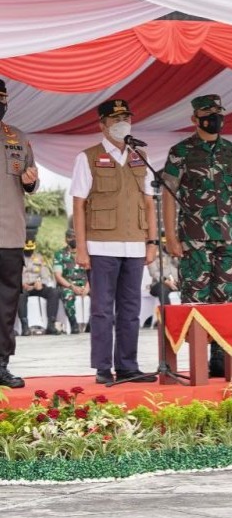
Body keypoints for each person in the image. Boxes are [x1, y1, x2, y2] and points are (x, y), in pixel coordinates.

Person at [162, 94, 232, 377]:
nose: (215, 119)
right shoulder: (181, 151)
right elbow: (168, 195)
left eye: (219, 113)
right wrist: (170, 237)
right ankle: (198, 356)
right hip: (194, 237)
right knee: (196, 297)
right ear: (195, 119)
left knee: (225, 297)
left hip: (228, 235)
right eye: (208, 114)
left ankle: (220, 357)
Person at [71, 98, 158, 384]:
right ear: (103, 125)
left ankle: (128, 366)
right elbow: (79, 205)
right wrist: (80, 247)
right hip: (100, 245)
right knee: (102, 310)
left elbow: (149, 202)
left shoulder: (140, 156)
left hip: (135, 244)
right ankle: (102, 368)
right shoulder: (88, 157)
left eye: (127, 119)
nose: (123, 124)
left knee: (131, 309)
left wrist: (152, 241)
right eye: (116, 119)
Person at [0, 78, 39, 387]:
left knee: (6, 304)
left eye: (3, 99)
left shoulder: (18, 138)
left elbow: (30, 182)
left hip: (10, 234)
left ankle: (1, 364)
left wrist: (29, 181)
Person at [18, 240, 60, 336]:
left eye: (31, 249)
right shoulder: (16, 258)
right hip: (23, 287)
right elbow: (12, 276)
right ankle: (25, 327)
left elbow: (45, 276)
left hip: (36, 286)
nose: (30, 251)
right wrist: (22, 284)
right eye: (27, 249)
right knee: (21, 295)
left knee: (54, 292)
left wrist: (41, 283)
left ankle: (51, 324)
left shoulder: (39, 258)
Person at [53, 229, 91, 334]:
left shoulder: (86, 254)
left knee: (100, 294)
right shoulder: (59, 254)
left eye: (75, 237)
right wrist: (72, 287)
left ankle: (91, 323)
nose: (73, 239)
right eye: (70, 237)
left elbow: (92, 272)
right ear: (66, 239)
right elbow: (58, 276)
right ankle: (73, 323)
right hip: (68, 285)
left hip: (85, 284)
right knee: (67, 294)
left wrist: (87, 287)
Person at [146, 235, 179, 320]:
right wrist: (165, 281)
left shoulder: (175, 254)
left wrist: (175, 257)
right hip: (159, 284)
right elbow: (153, 273)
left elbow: (182, 267)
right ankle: (168, 317)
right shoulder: (155, 255)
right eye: (164, 243)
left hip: (176, 282)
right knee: (162, 289)